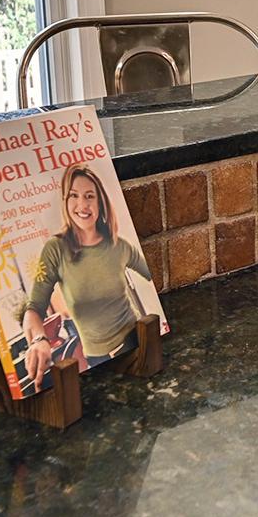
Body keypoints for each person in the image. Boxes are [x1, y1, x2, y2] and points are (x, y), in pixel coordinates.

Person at [21, 164, 153, 386]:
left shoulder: (120, 246)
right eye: (74, 195)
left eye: (89, 196)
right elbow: (34, 308)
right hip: (96, 358)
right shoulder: (56, 249)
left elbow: (151, 277)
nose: (82, 204)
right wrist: (38, 339)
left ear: (100, 202)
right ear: (66, 201)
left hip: (135, 342)